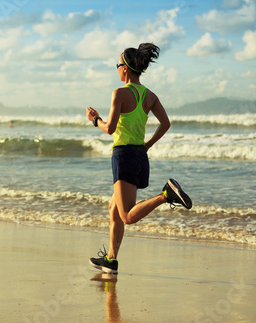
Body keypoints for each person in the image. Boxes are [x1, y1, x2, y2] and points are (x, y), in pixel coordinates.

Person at [86, 43, 192, 274]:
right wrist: (147, 145)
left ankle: (166, 195)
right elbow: (165, 124)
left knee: (126, 216)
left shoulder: (120, 93)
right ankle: (111, 260)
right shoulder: (150, 95)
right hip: (140, 157)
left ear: (125, 68)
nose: (117, 69)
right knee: (114, 209)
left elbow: (111, 129)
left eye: (117, 65)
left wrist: (95, 120)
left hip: (124, 155)